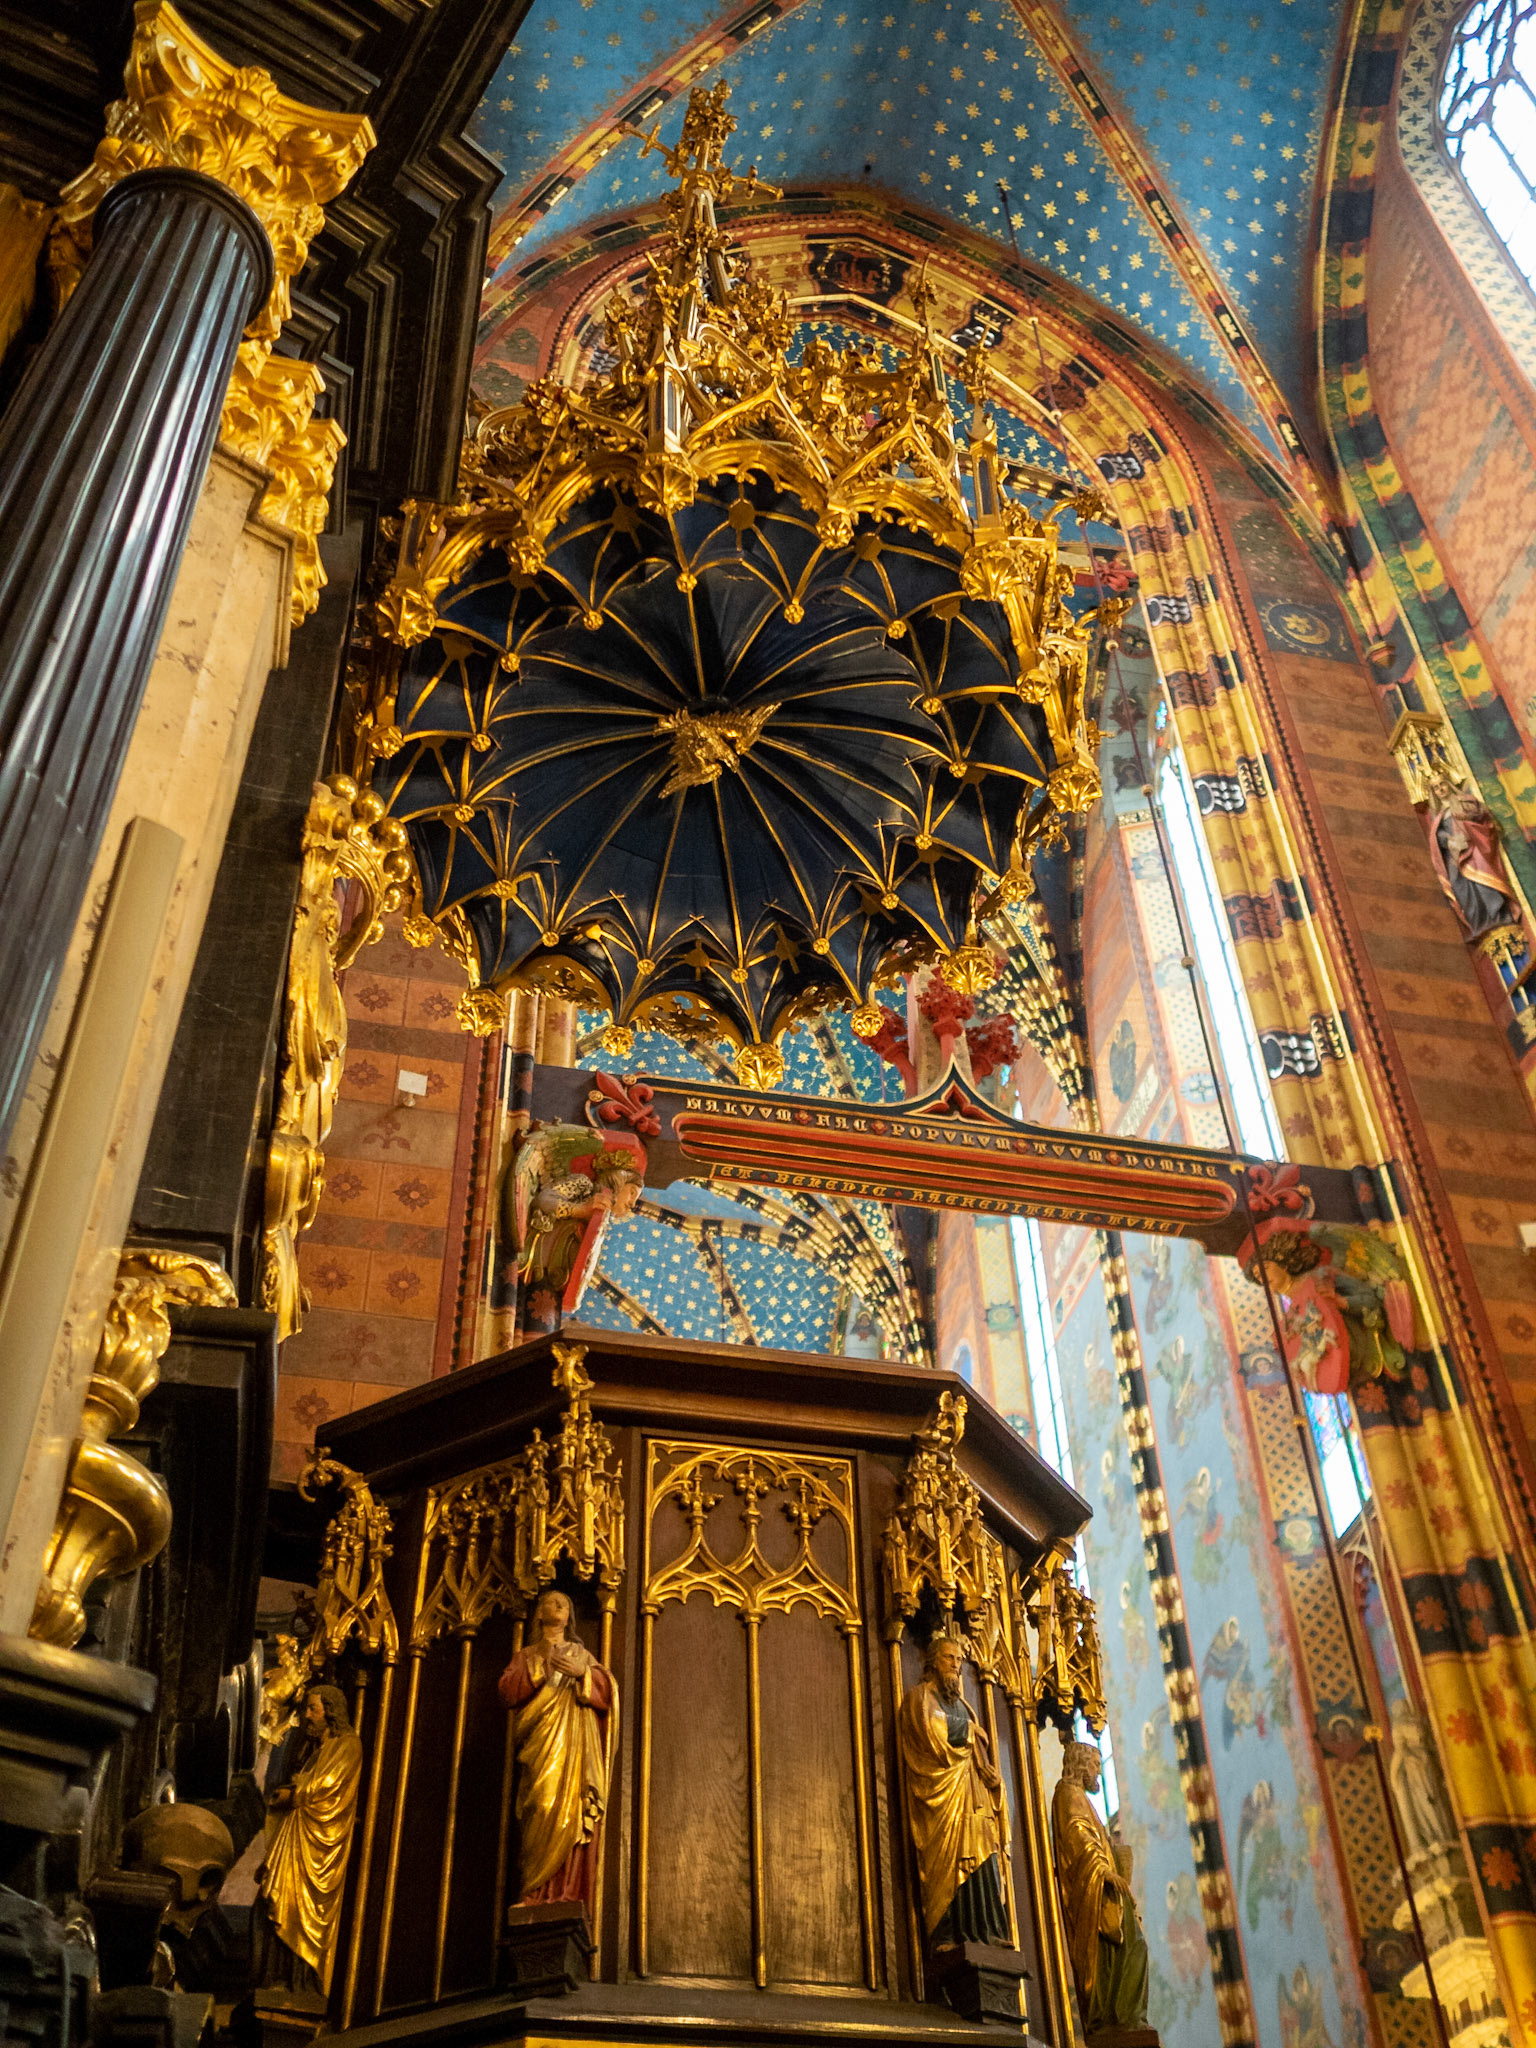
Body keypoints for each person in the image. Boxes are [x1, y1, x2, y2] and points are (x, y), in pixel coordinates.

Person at [498, 1588, 614, 1909]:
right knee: (542, 1806)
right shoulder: (528, 1654)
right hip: (539, 1747)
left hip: (572, 1754)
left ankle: (563, 1893)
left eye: (565, 1602)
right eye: (552, 1600)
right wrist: (541, 1669)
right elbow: (507, 1691)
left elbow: (608, 1691)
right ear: (539, 1612)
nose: (560, 1604)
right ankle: (533, 1891)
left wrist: (584, 1675)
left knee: (567, 1812)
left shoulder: (580, 1655)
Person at [895, 1635, 1011, 1946]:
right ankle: (946, 1930)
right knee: (950, 1863)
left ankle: (988, 1929)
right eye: (949, 1658)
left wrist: (993, 1782)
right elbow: (928, 1732)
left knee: (984, 1857)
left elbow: (980, 1759)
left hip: (974, 1799)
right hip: (943, 1800)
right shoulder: (920, 1697)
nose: (956, 1666)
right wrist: (968, 1731)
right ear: (931, 1663)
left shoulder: (964, 1706)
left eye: (959, 1660)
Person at [254, 1683, 363, 1998]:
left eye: (313, 1709)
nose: (307, 1717)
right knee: (273, 1896)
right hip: (297, 1833)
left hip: (318, 1842)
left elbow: (329, 1787)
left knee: (299, 1904)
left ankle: (297, 1982)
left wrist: (295, 1793)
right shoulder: (314, 1752)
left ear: (331, 1712)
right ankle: (274, 1977)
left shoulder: (348, 1745)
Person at [1051, 1740, 1150, 2035]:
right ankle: (1116, 2016)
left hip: (1108, 1892)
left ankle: (1126, 2017)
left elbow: (1094, 1839)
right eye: (1095, 1764)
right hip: (1096, 1893)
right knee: (1131, 1949)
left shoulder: (1080, 1796)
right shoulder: (1067, 1794)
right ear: (1081, 1766)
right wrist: (1104, 1870)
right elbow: (1076, 1836)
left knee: (1137, 1947)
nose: (1098, 1771)